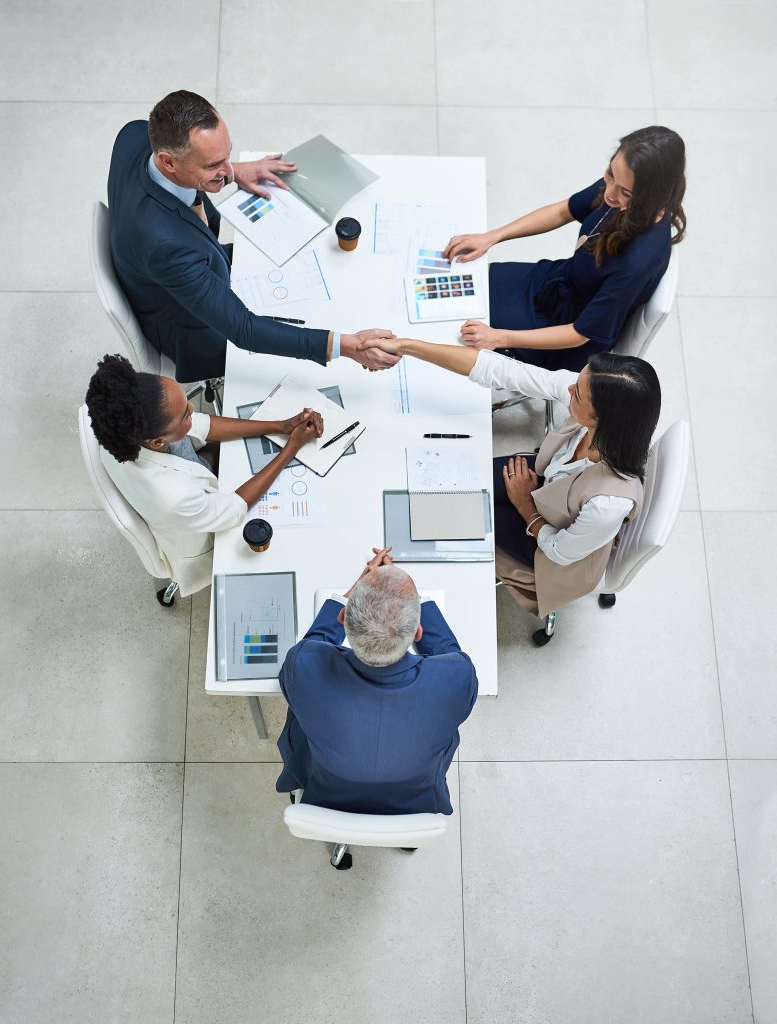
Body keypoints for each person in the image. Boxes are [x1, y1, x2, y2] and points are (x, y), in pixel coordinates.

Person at [356, 336, 661, 618]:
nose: (568, 389)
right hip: (548, 488)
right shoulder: (591, 393)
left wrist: (524, 506)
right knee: (453, 489)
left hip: (548, 540)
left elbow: (558, 553)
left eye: (576, 393)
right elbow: (500, 369)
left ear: (601, 419)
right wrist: (406, 346)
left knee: (453, 517)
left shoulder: (608, 503)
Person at [107, 89, 399, 382]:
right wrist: (344, 347)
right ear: (169, 162)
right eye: (212, 165)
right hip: (195, 332)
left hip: (195, 262)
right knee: (306, 351)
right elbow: (244, 330)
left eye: (227, 156)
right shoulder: (164, 246)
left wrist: (234, 171)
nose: (226, 169)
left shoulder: (134, 134)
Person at [443, 125, 686, 372]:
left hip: (567, 333)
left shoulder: (637, 261)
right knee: (465, 287)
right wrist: (493, 237)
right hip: (555, 283)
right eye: (610, 174)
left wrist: (500, 337)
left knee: (454, 331)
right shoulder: (619, 185)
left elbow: (581, 333)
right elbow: (563, 211)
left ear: (651, 197)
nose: (609, 195)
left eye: (624, 192)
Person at [85, 353, 324, 597]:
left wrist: (280, 426)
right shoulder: (174, 496)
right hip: (203, 530)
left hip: (198, 478)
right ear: (157, 441)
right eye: (185, 415)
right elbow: (234, 508)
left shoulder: (131, 430)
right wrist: (291, 448)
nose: (192, 407)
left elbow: (204, 425)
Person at [276, 547, 478, 814]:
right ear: (419, 632)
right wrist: (409, 596)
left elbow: (315, 643)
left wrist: (356, 593)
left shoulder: (302, 666)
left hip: (325, 796)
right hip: (417, 804)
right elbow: (448, 652)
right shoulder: (456, 679)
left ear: (341, 618)